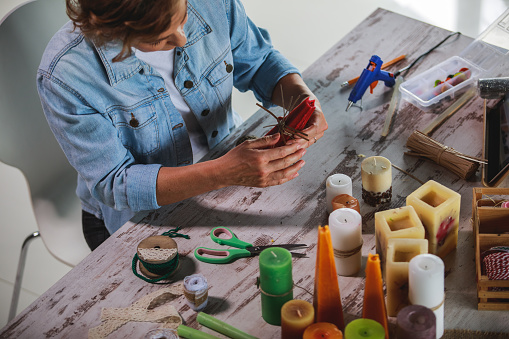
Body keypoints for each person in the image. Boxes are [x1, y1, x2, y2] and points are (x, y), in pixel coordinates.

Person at [37, 0, 328, 250]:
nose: (181, 39)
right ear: (112, 29)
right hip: (143, 217)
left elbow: (260, 61)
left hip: (231, 174)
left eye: (184, 15)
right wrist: (224, 172)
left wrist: (301, 97)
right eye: (158, 39)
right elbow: (116, 183)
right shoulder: (65, 75)